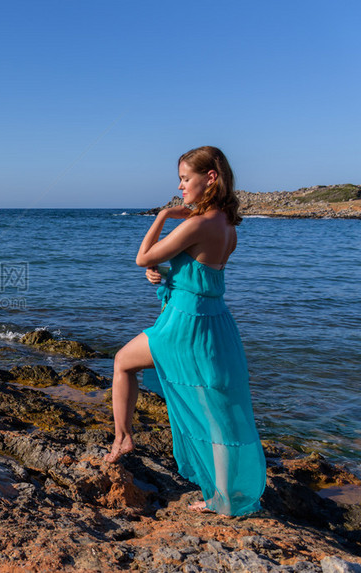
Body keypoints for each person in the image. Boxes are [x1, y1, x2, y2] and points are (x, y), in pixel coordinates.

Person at [104, 146, 266, 516]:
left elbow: (143, 256)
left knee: (122, 363)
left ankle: (123, 438)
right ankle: (224, 498)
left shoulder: (196, 224)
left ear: (210, 177)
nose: (180, 187)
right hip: (216, 323)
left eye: (185, 178)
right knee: (218, 412)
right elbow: (199, 274)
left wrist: (162, 217)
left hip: (186, 325)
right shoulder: (227, 225)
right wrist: (163, 274)